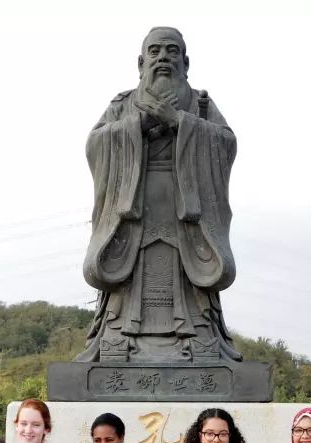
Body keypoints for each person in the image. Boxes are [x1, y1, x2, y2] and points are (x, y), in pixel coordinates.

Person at [76, 26, 242, 363]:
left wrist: (181, 122)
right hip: (133, 210)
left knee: (190, 282)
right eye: (155, 51)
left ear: (186, 61)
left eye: (171, 51)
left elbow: (226, 144)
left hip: (187, 212)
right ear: (141, 62)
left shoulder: (202, 104)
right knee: (129, 279)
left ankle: (200, 344)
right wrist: (138, 126)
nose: (163, 57)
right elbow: (96, 145)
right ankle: (117, 342)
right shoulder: (122, 104)